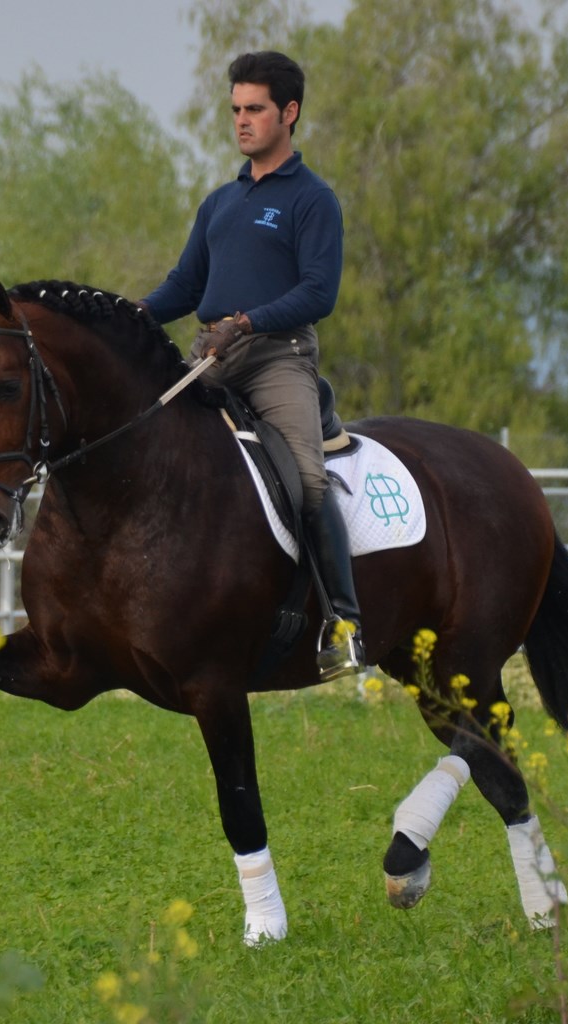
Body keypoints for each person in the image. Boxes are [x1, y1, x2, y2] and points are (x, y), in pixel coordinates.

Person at [140, 50, 364, 680]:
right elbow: (182, 288)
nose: (242, 121)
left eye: (255, 109)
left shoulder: (313, 201)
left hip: (276, 359)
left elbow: (320, 292)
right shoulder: (219, 203)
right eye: (236, 109)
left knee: (308, 479)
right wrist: (125, 315)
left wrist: (246, 322)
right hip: (207, 355)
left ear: (288, 113)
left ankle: (343, 624)